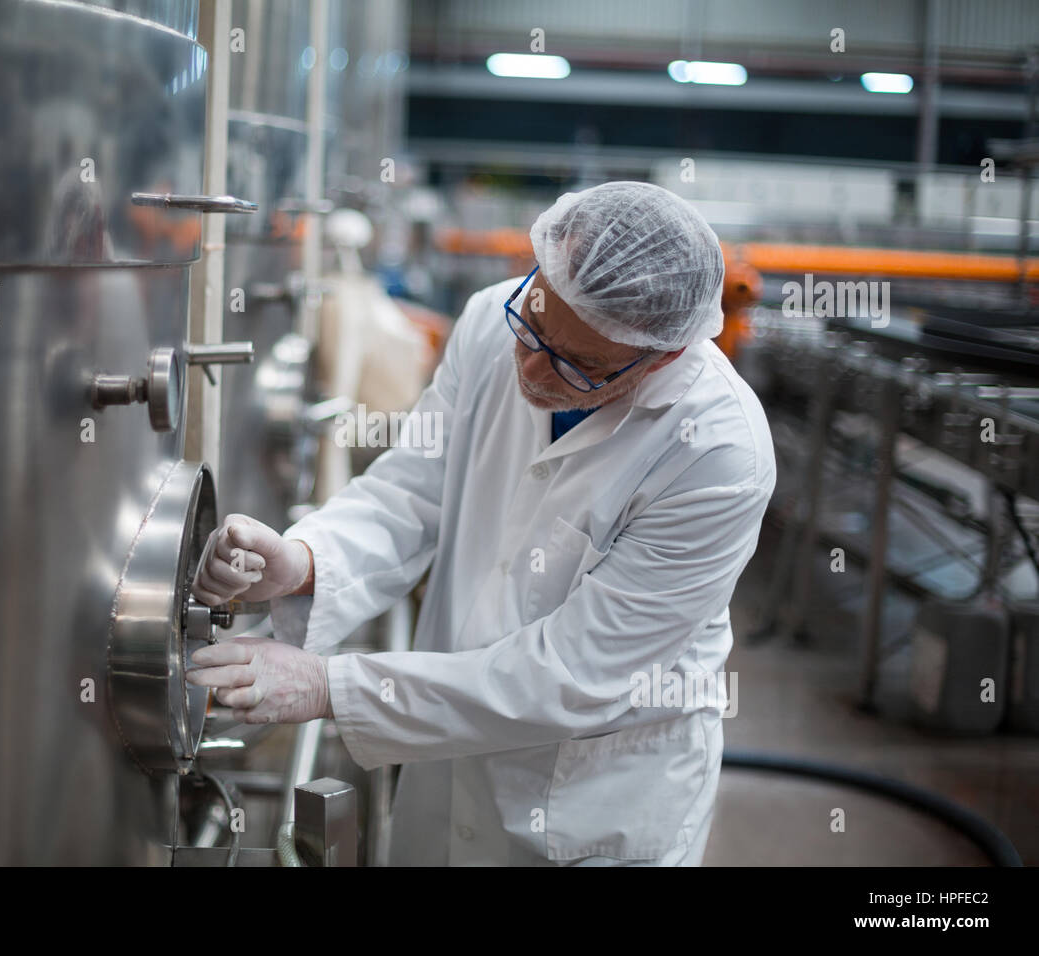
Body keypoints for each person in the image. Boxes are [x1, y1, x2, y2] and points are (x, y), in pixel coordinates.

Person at [188, 181, 777, 866]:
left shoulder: (715, 452)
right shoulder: (486, 321)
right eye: (533, 321)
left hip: (591, 800)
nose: (528, 365)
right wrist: (305, 559)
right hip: (447, 767)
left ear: (663, 357)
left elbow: (573, 674)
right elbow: (412, 491)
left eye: (577, 365)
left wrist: (332, 686)